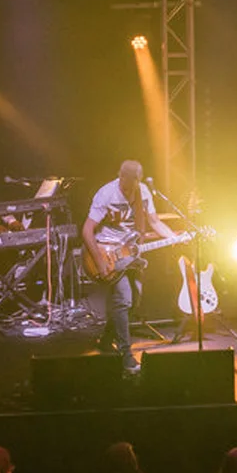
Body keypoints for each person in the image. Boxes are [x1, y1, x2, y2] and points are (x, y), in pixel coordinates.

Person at [80, 159, 176, 371]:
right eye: (126, 183)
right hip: (108, 252)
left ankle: (106, 340)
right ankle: (126, 354)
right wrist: (99, 262)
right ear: (120, 175)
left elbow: (154, 222)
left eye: (134, 183)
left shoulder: (143, 193)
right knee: (124, 299)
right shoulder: (106, 193)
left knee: (134, 301)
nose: (129, 188)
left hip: (131, 252)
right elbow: (87, 230)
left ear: (138, 180)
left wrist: (175, 238)